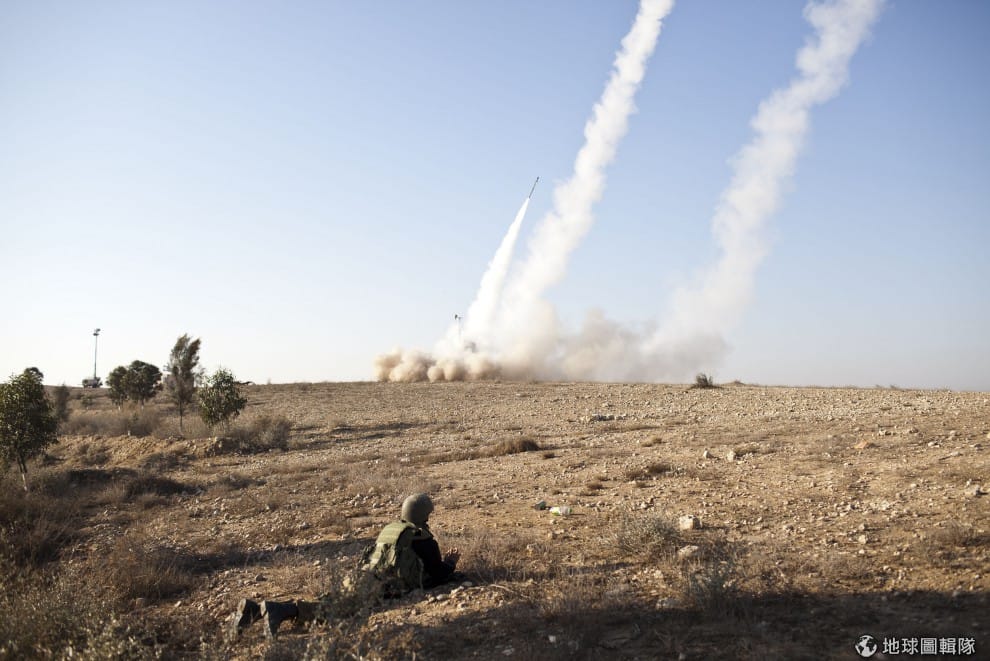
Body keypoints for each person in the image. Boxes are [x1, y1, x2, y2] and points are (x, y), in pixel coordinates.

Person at [229, 493, 460, 639]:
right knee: (334, 609)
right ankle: (280, 610)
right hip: (378, 586)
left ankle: (253, 610)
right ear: (423, 515)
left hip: (362, 575)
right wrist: (450, 564)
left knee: (330, 598)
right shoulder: (422, 539)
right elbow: (437, 575)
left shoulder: (392, 530)